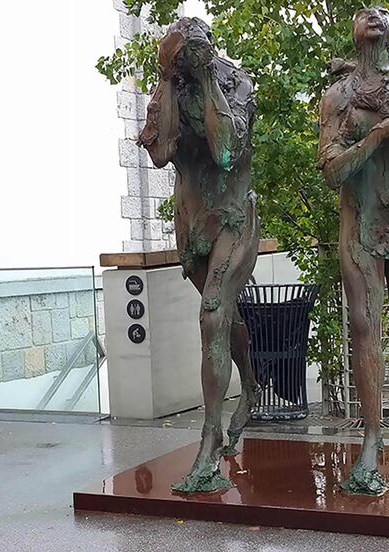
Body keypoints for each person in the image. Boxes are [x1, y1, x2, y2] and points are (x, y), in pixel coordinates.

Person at [317, 7, 389, 495]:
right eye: (367, 12)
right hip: (359, 223)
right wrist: (377, 135)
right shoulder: (338, 97)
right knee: (365, 323)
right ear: (355, 32)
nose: (377, 15)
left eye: (385, 13)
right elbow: (331, 170)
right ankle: (371, 439)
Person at [138, 17, 260, 493]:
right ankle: (250, 382)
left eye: (194, 49)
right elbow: (161, 150)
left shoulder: (237, 82)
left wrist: (207, 76)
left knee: (211, 315)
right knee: (222, 317)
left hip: (234, 218)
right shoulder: (167, 89)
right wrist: (168, 77)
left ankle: (209, 445)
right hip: (192, 226)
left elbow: (227, 150)